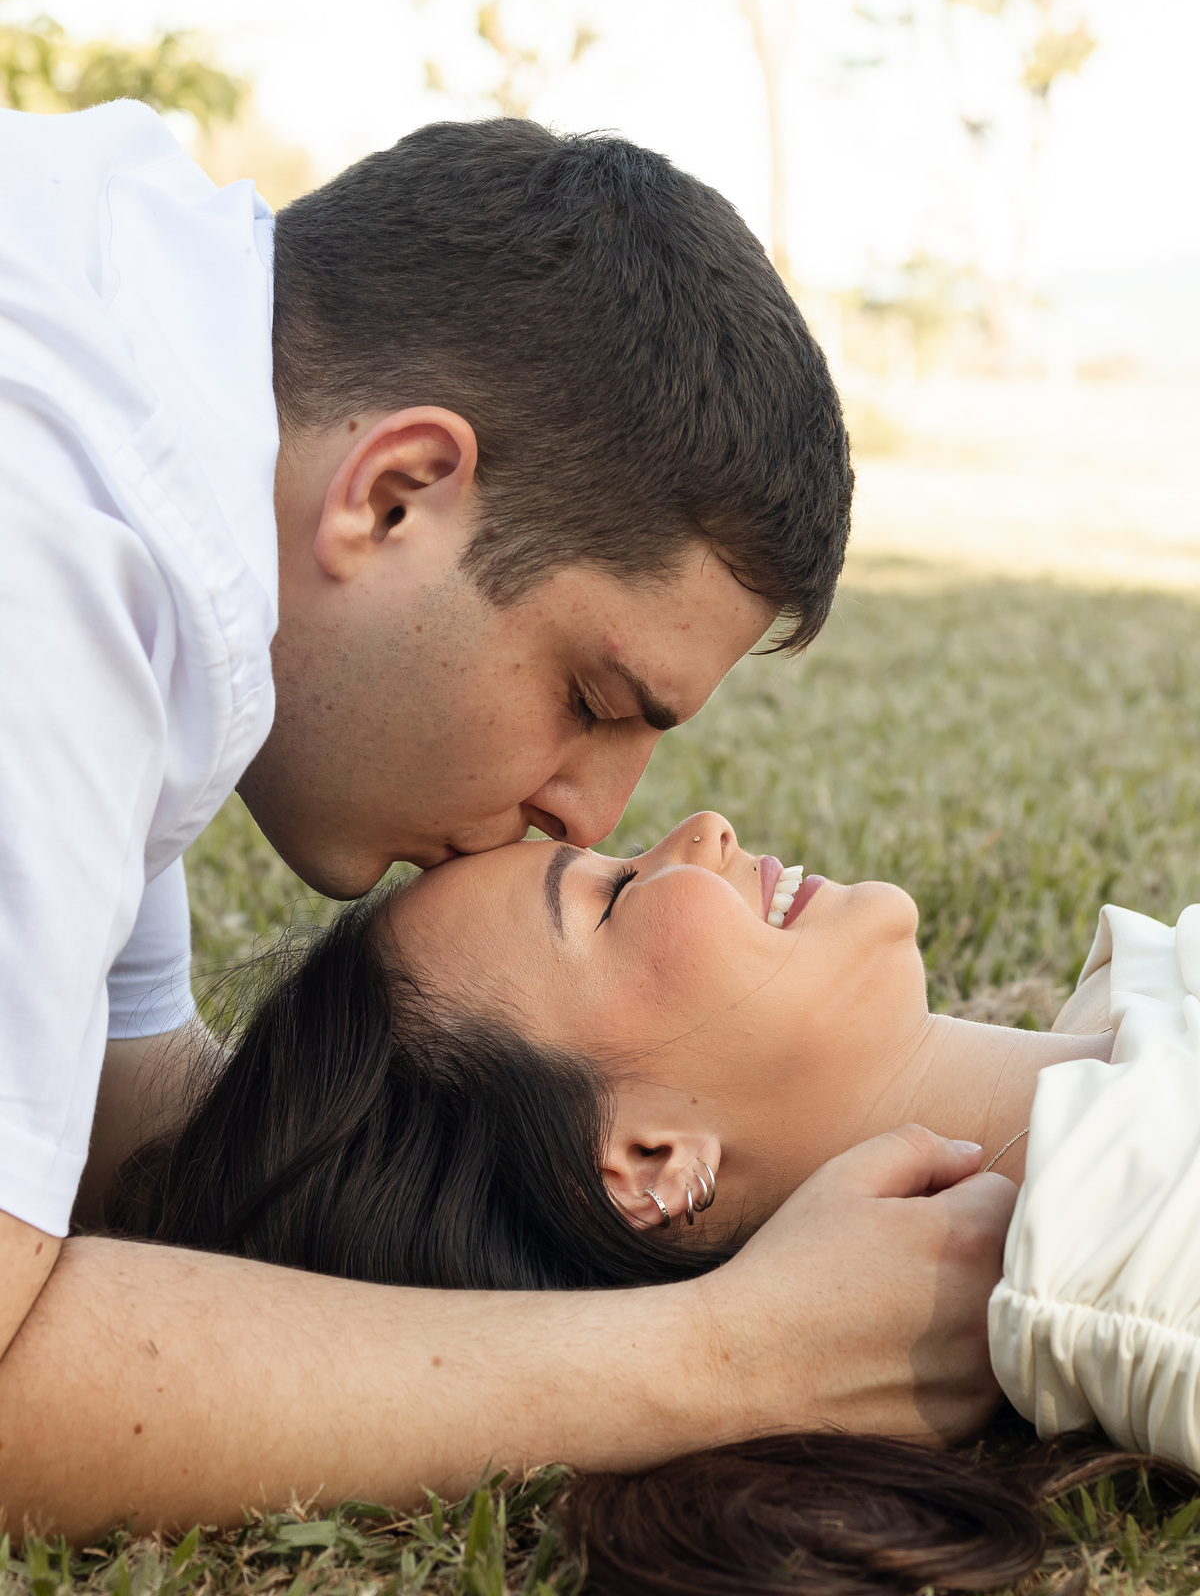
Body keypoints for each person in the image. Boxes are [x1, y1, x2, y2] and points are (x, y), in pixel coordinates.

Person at [0, 103, 1013, 1536]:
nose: (585, 813)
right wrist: (728, 1355)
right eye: (595, 699)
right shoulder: (45, 563)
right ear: (399, 493)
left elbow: (124, 1128)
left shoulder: (142, 328)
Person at [104, 812, 1200, 1591]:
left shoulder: (1130, 1027)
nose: (705, 828)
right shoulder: (1136, 1244)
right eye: (617, 894)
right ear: (646, 1162)